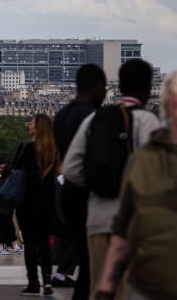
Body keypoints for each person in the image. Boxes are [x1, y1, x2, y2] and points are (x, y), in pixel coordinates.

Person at [95, 65, 177, 300]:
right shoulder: (142, 159)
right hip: (150, 287)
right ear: (167, 103)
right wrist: (106, 288)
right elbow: (123, 229)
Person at [62, 59, 160, 298]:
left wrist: (98, 183)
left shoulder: (94, 119)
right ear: (149, 88)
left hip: (97, 219)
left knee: (99, 290)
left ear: (119, 85)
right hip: (134, 223)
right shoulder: (148, 122)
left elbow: (70, 169)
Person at [52, 64, 107, 300]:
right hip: (87, 194)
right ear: (97, 87)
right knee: (91, 263)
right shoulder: (90, 116)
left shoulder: (62, 115)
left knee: (84, 260)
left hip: (67, 192)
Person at [14, 115, 59, 296]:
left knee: (30, 244)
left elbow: (17, 170)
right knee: (45, 243)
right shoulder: (54, 150)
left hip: (28, 202)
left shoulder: (27, 148)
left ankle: (33, 282)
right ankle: (47, 280)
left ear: (38, 128)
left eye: (31, 123)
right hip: (48, 203)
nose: (29, 126)